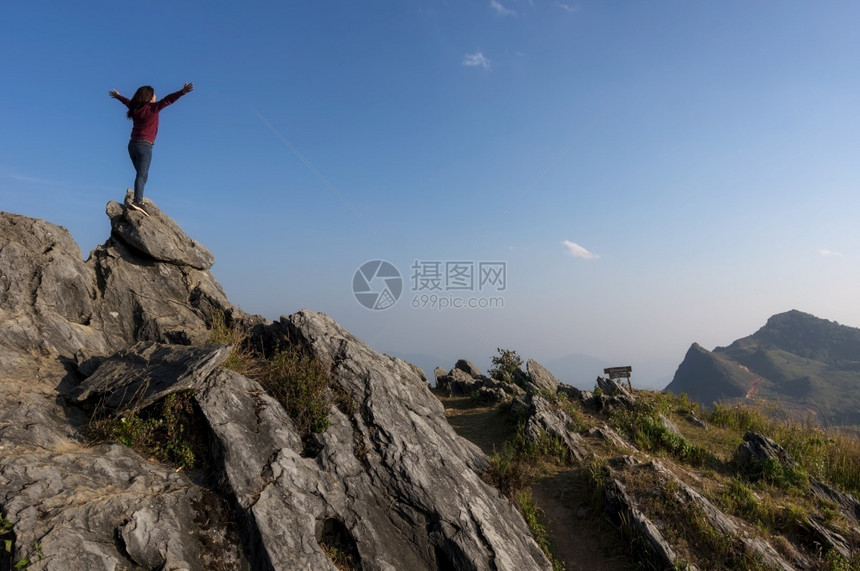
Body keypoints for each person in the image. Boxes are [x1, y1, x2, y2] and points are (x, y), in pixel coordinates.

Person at [109, 83, 194, 216]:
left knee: (142, 175)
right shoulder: (153, 108)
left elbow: (127, 101)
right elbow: (168, 99)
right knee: (142, 175)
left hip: (132, 146)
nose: (156, 96)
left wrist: (118, 96)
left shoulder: (135, 107)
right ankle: (138, 201)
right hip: (145, 146)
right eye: (154, 94)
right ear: (149, 97)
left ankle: (138, 197)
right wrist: (182, 92)